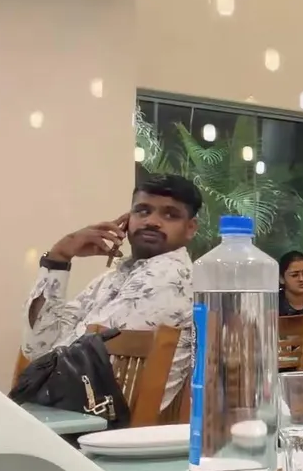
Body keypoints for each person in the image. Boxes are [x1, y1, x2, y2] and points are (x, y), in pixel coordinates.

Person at [23, 174, 202, 410]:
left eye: (170, 215)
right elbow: (36, 348)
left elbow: (65, 361)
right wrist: (59, 257)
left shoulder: (172, 278)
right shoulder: (111, 278)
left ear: (190, 228)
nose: (152, 222)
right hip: (69, 409)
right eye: (143, 211)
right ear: (127, 220)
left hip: (101, 419)